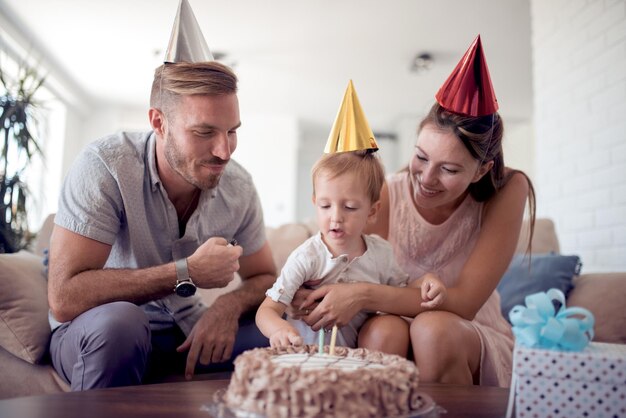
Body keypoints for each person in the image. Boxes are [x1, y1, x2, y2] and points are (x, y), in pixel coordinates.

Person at [46, 1, 274, 390]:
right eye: (204, 132)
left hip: (187, 329)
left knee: (290, 331)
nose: (224, 151)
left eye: (232, 130)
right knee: (122, 323)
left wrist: (226, 306)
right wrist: (186, 273)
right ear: (158, 122)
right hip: (98, 333)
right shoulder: (105, 165)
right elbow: (64, 298)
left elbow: (265, 275)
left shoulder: (239, 186)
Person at [295, 35, 536, 387]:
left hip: (465, 330)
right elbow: (353, 273)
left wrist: (362, 293)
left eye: (450, 170)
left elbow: (465, 303)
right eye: (421, 157)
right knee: (381, 333)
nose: (426, 179)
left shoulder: (508, 189)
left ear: (481, 170)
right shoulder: (388, 192)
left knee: (432, 329)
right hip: (390, 316)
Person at [256, 149, 447, 348]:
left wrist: (427, 281)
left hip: (358, 362)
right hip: (307, 361)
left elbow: (400, 293)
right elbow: (267, 311)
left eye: (350, 207)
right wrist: (279, 329)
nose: (336, 217)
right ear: (315, 203)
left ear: (372, 211)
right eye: (325, 206)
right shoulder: (307, 257)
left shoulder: (381, 253)